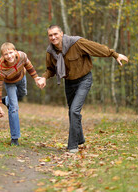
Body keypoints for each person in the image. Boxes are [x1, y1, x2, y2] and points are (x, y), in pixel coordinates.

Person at [37, 25, 129, 153]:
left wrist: (114, 54)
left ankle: (72, 146)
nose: (53, 37)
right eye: (50, 35)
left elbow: (97, 48)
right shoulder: (50, 52)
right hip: (69, 82)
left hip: (84, 80)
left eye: (55, 34)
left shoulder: (77, 43)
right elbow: (51, 69)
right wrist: (44, 78)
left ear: (62, 33)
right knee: (72, 112)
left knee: (74, 111)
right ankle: (80, 138)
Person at [0, 42, 41, 146]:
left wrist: (36, 78)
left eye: (11, 52)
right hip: (10, 84)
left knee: (22, 93)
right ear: (2, 56)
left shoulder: (22, 56)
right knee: (14, 107)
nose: (9, 56)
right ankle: (14, 138)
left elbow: (29, 66)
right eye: (6, 54)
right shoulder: (1, 70)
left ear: (15, 52)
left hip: (21, 78)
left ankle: (7, 100)